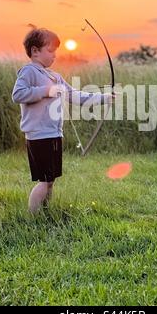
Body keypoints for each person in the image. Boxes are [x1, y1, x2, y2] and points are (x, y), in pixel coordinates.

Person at [12, 26, 113, 214]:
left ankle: (46, 212)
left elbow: (75, 96)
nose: (54, 56)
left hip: (53, 133)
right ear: (35, 51)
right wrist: (46, 91)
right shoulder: (29, 72)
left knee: (50, 180)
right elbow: (18, 94)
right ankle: (33, 218)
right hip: (38, 134)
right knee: (44, 180)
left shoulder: (55, 76)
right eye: (50, 51)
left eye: (55, 52)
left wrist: (104, 98)